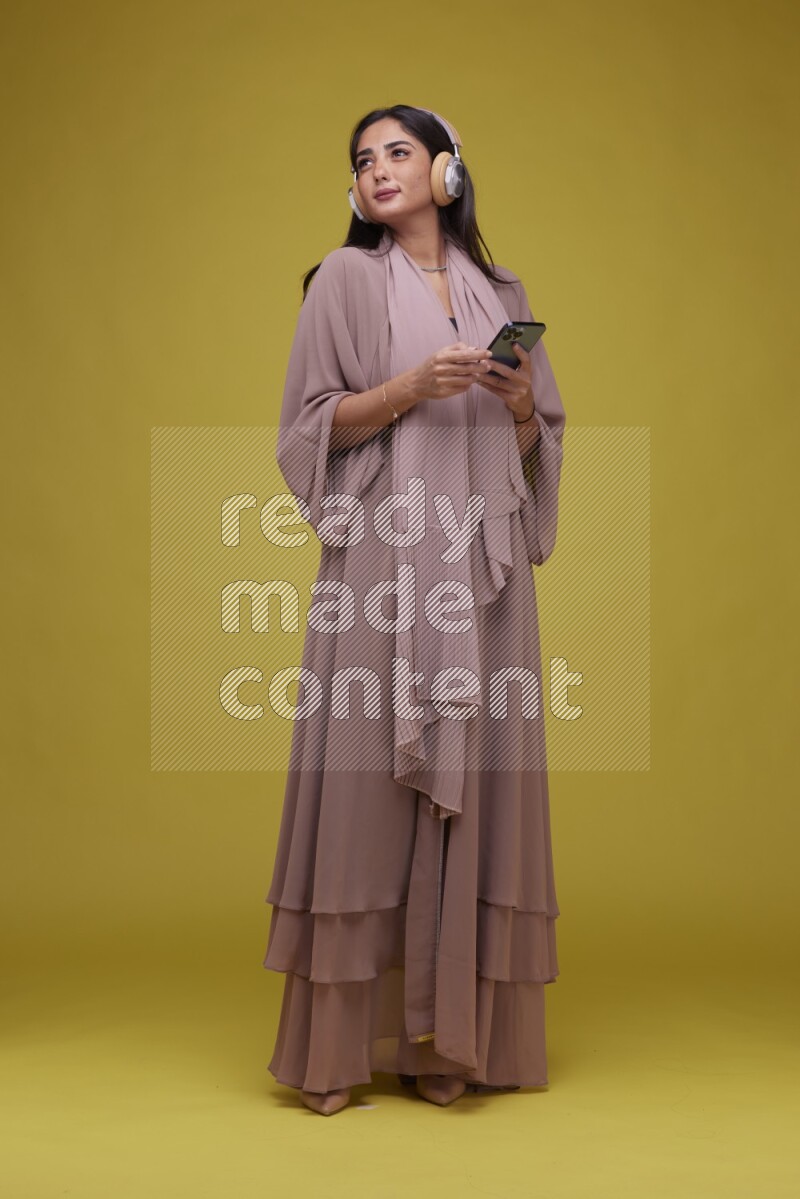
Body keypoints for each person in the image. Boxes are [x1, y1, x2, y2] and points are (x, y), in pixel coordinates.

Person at [263, 104, 566, 1116]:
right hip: (386, 563)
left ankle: (450, 1045)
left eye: (398, 151)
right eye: (362, 160)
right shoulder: (343, 280)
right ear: (353, 190)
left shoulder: (500, 292)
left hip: (480, 577)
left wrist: (516, 403)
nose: (378, 169)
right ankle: (335, 1051)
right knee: (361, 791)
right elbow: (307, 424)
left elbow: (538, 437)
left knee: (475, 787)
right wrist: (405, 388)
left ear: (446, 169)